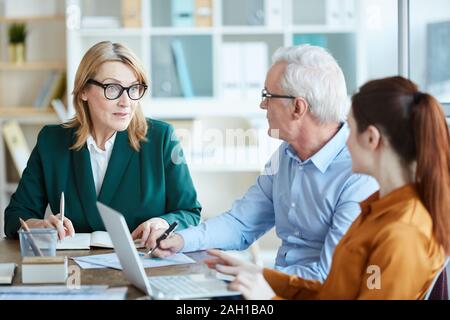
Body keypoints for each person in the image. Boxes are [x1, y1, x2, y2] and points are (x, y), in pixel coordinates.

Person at [203, 76, 450, 300]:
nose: (343, 140)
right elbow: (335, 292)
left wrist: (268, 299)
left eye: (350, 129)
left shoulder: (402, 233)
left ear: (372, 139)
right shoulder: (378, 207)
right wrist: (262, 277)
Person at [151, 45, 378, 282]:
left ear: (298, 107)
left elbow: (329, 275)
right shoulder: (286, 155)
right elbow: (241, 223)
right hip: (273, 287)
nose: (262, 105)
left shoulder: (358, 174)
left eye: (267, 96)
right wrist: (181, 241)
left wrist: (251, 275)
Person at [4, 41, 201, 246]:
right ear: (83, 91)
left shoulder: (162, 138)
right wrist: (39, 226)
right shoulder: (51, 142)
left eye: (134, 88)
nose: (126, 102)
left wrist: (162, 223)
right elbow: (15, 216)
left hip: (147, 266)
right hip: (75, 269)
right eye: (113, 88)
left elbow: (190, 212)